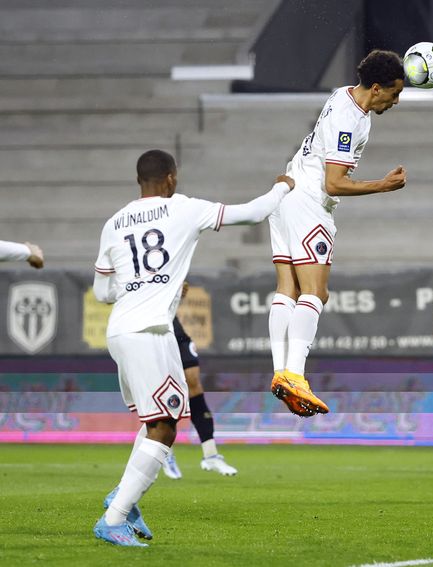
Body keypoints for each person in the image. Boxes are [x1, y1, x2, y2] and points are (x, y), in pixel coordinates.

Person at [92, 149, 293, 546]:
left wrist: (136, 285)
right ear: (170, 178)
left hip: (123, 329)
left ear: (139, 181)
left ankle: (123, 497)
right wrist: (282, 186)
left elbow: (101, 291)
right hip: (147, 331)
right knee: (165, 427)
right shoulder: (182, 208)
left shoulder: (114, 222)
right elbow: (252, 212)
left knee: (157, 421)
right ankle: (113, 519)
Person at [268, 49, 407, 418]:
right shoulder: (352, 120)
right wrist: (383, 186)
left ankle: (282, 371)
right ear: (376, 88)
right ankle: (294, 374)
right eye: (394, 93)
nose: (396, 101)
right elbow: (333, 183)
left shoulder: (343, 93)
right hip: (310, 203)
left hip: (286, 192)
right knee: (316, 292)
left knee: (288, 289)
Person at [161, 283, 237, 479]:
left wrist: (176, 288)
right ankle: (163, 451)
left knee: (193, 382)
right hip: (148, 329)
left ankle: (211, 455)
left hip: (172, 326)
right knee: (165, 391)